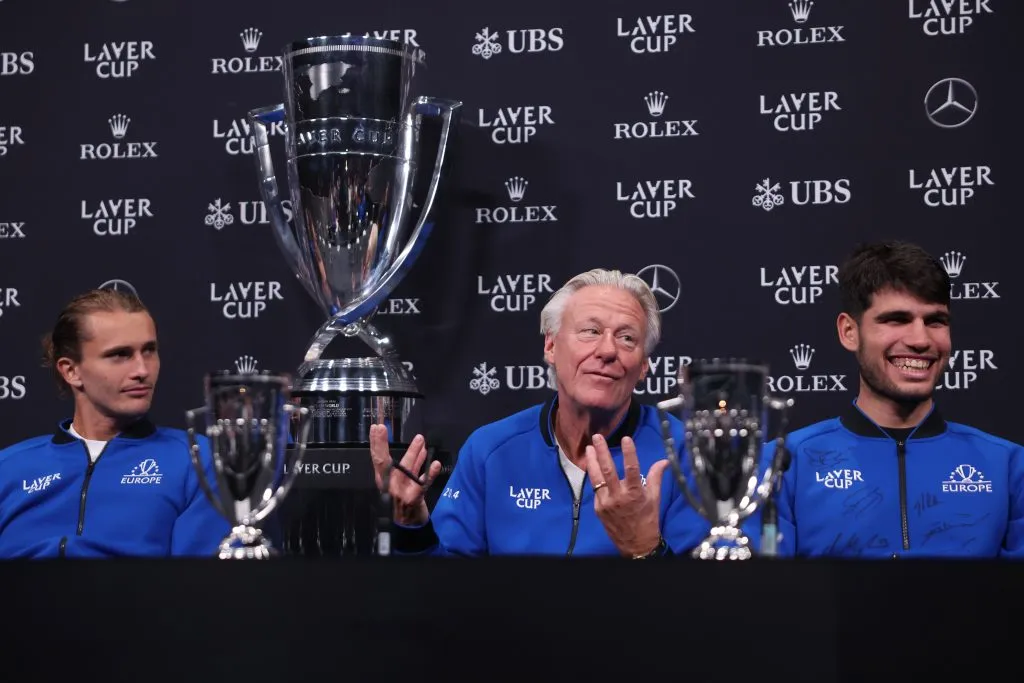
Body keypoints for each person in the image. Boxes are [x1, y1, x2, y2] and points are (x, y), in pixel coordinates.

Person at [369, 268, 710, 557]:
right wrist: (412, 526)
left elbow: (712, 609)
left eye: (627, 338)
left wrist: (647, 549)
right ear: (550, 346)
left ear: (644, 367)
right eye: (590, 331)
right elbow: (444, 596)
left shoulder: (685, 453)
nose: (607, 350)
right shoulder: (490, 449)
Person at [764, 241, 1024, 558]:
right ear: (849, 332)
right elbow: (768, 598)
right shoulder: (782, 465)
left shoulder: (1010, 466)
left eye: (935, 321)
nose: (920, 340)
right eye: (896, 319)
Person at [0, 288, 229, 558]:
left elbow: (204, 585)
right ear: (71, 371)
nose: (142, 371)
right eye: (120, 354)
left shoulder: (199, 462)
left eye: (149, 351)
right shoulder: (8, 468)